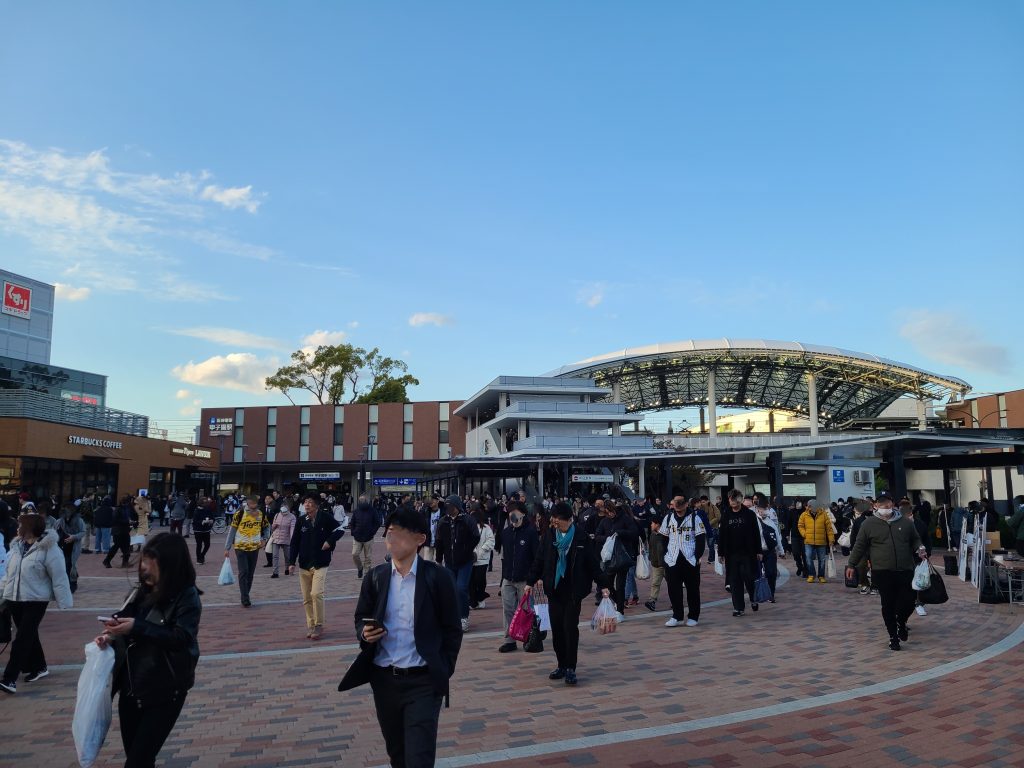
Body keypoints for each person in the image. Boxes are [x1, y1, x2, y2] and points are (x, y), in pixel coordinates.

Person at [339, 506, 463, 768]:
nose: (391, 540)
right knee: (398, 755)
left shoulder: (438, 578)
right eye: (389, 534)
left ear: (420, 539)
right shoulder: (376, 577)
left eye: (399, 533)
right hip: (384, 681)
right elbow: (360, 616)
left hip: (423, 682)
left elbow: (452, 629)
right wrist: (364, 631)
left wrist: (443, 668)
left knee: (418, 758)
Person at [94, 532, 201, 766]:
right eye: (144, 562)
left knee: (137, 762)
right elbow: (124, 618)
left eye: (151, 564)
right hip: (131, 687)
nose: (144, 569)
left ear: (170, 566)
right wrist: (110, 634)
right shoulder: (140, 591)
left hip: (165, 688)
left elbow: (181, 638)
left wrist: (137, 627)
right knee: (138, 757)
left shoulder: (187, 596)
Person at [525, 502, 608, 686]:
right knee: (557, 630)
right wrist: (530, 581)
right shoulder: (549, 535)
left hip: (573, 591)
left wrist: (603, 585)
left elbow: (593, 563)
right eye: (553, 517)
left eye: (557, 518)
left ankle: (571, 667)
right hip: (554, 590)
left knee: (570, 629)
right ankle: (561, 664)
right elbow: (540, 559)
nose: (554, 521)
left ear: (569, 519)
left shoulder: (580, 537)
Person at [0, 513, 73, 693]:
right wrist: (2, 595)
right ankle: (39, 666)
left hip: (36, 599)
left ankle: (9, 678)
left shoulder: (50, 548)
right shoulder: (16, 546)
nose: (17, 528)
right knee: (29, 635)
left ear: (29, 528)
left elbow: (59, 576)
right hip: (15, 598)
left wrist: (64, 602)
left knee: (22, 638)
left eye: (20, 525)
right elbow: (9, 574)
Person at [847, 491, 926, 651]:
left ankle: (901, 622)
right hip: (882, 570)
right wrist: (851, 564)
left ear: (893, 505)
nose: (886, 507)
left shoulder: (905, 522)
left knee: (909, 601)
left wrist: (920, 548)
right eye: (882, 505)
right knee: (888, 604)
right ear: (875, 506)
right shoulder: (868, 524)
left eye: (888, 504)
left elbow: (915, 539)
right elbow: (859, 545)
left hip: (905, 569)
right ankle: (893, 637)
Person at [287, 495, 344, 640]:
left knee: (316, 593)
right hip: (304, 564)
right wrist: (291, 562)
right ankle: (311, 625)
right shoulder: (301, 521)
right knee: (306, 598)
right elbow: (294, 543)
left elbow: (340, 529)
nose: (307, 505)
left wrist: (330, 541)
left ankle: (319, 625)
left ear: (316, 506)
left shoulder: (325, 518)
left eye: (310, 503)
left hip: (321, 563)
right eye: (305, 502)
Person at [496, 501, 539, 653]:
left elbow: (537, 557)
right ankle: (509, 640)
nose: (512, 517)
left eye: (515, 513)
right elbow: (504, 555)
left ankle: (529, 638)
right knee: (507, 608)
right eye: (510, 514)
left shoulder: (531, 532)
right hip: (508, 577)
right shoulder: (506, 533)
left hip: (525, 579)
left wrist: (534, 578)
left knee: (527, 610)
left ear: (522, 514)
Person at [658, 496, 706, 627]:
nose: (677, 508)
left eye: (680, 505)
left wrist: (697, 557)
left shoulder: (695, 518)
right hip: (672, 558)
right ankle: (677, 616)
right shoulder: (668, 518)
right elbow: (663, 538)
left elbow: (701, 539)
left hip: (689, 558)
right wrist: (665, 556)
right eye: (675, 504)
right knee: (673, 589)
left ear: (686, 505)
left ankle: (693, 616)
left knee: (692, 589)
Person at [434, 495, 480, 632]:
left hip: (465, 561)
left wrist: (467, 550)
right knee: (451, 590)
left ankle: (463, 617)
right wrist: (438, 559)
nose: (448, 509)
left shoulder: (467, 520)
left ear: (456, 506)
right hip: (449, 561)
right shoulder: (443, 522)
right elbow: (439, 541)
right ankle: (452, 618)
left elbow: (476, 536)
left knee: (461, 588)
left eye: (450, 506)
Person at [717, 489, 762, 617]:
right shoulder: (726, 515)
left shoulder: (749, 514)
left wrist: (758, 550)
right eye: (730, 499)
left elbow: (756, 534)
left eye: (734, 498)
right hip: (731, 554)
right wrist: (720, 553)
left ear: (740, 499)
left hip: (748, 553)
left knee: (749, 577)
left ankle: (753, 598)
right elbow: (722, 535)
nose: (732, 501)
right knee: (734, 581)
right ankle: (738, 607)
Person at [594, 500, 639, 622]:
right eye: (607, 513)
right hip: (609, 557)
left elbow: (634, 533)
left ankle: (620, 610)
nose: (609, 515)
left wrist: (620, 533)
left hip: (623, 556)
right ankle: (618, 603)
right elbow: (597, 536)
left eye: (610, 512)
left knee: (620, 584)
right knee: (607, 583)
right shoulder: (604, 521)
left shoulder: (624, 518)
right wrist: (608, 537)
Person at [223, 495, 269, 607]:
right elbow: (232, 530)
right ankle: (245, 598)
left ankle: (245, 594)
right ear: (247, 503)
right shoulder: (240, 513)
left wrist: (264, 539)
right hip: (241, 547)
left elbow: (267, 526)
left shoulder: (260, 514)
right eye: (251, 502)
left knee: (250, 574)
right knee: (243, 572)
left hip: (254, 548)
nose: (253, 504)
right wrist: (227, 547)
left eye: (255, 502)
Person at [797, 500, 835, 583]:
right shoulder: (804, 515)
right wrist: (804, 534)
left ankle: (821, 576)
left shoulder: (823, 514)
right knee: (808, 558)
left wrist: (831, 539)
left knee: (822, 559)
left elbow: (829, 528)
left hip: (821, 541)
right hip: (808, 540)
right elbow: (800, 525)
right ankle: (811, 574)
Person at [754, 497, 783, 602]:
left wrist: (781, 551)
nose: (763, 511)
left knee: (771, 573)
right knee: (757, 574)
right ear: (757, 509)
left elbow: (777, 537)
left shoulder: (771, 522)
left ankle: (771, 594)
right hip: (757, 552)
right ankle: (757, 594)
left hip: (770, 551)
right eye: (761, 509)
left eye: (765, 509)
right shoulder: (753, 521)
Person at [55, 502, 86, 594]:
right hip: (62, 546)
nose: (66, 515)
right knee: (64, 565)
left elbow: (83, 532)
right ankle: (68, 582)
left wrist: (74, 537)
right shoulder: (60, 521)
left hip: (73, 547)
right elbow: (54, 531)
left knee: (70, 564)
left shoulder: (79, 520)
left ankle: (72, 584)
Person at [350, 494, 382, 579]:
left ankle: (367, 573)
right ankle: (360, 568)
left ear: (367, 501)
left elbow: (377, 522)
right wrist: (353, 532)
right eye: (361, 500)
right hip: (357, 537)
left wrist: (373, 532)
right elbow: (352, 522)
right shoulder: (356, 511)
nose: (362, 502)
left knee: (368, 557)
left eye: (363, 500)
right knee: (354, 554)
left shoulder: (372, 510)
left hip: (369, 537)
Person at [469, 507, 495, 610]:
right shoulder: (467, 527)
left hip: (482, 559)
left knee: (480, 579)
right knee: (470, 581)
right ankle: (473, 601)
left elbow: (491, 540)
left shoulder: (486, 528)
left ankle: (480, 598)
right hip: (470, 559)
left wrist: (483, 549)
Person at [643, 509, 668, 612]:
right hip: (656, 564)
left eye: (652, 523)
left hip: (666, 564)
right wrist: (651, 559)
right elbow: (651, 548)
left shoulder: (666, 534)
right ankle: (652, 601)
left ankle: (677, 600)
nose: (651, 525)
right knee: (655, 583)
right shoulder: (653, 534)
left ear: (657, 524)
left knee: (672, 583)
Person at [104, 495, 136, 569]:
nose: (131, 502)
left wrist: (131, 521)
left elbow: (130, 516)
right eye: (130, 500)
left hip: (125, 530)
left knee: (126, 547)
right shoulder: (118, 509)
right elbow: (115, 520)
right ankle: (107, 560)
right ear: (126, 502)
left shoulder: (127, 509)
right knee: (116, 546)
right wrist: (127, 522)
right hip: (118, 531)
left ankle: (125, 563)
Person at [269, 501, 295, 578]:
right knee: (275, 556)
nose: (283, 508)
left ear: (288, 508)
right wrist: (274, 525)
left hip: (286, 539)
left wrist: (292, 539)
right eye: (282, 506)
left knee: (287, 556)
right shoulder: (277, 515)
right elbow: (272, 528)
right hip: (276, 538)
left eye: (285, 506)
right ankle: (275, 572)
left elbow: (292, 529)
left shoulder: (292, 517)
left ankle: (287, 569)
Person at [191, 498, 216, 565]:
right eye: (204, 503)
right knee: (199, 545)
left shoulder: (207, 509)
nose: (206, 504)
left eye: (206, 502)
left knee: (207, 544)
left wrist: (211, 521)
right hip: (198, 530)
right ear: (200, 503)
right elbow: (195, 521)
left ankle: (202, 555)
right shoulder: (196, 510)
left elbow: (212, 517)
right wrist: (203, 521)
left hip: (206, 530)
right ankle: (198, 559)